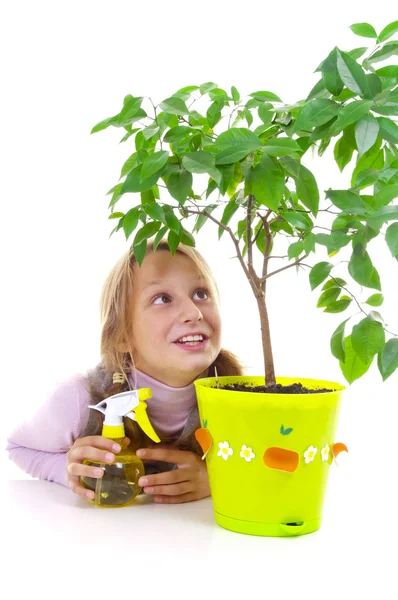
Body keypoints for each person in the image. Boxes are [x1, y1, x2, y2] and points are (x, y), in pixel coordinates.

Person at [6, 237, 245, 504]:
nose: (193, 312)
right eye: (163, 298)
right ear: (122, 336)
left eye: (201, 294)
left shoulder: (241, 398)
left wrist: (215, 477)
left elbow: (272, 461)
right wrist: (69, 471)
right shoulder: (81, 399)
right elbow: (18, 447)